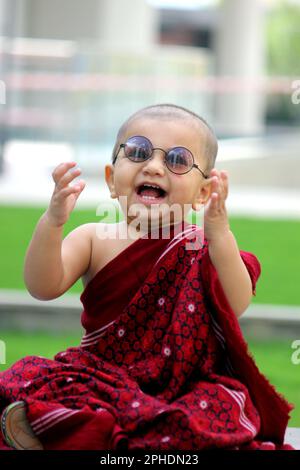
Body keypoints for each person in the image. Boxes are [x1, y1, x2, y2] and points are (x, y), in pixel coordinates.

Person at [0, 104, 295, 451]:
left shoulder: (202, 247)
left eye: (178, 160)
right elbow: (42, 286)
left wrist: (220, 236)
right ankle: (76, 426)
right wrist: (52, 223)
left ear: (203, 194)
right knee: (34, 380)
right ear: (112, 179)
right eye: (139, 151)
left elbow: (235, 302)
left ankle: (76, 432)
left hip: (182, 387)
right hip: (102, 379)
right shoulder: (93, 238)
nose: (154, 166)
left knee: (220, 405)